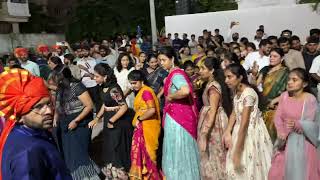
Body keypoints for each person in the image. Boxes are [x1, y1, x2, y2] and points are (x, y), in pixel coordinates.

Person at [0, 69, 72, 179]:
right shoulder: (27, 152)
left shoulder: (37, 132)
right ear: (19, 117)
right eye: (38, 107)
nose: (48, 111)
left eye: (49, 103)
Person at [269, 68, 320, 180]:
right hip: (284, 142)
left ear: (305, 83)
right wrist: (280, 131)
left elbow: (314, 126)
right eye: (289, 79)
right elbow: (278, 116)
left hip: (302, 144)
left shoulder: (310, 99)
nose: (289, 82)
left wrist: (298, 124)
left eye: (294, 80)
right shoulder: (284, 96)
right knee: (276, 173)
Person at [223, 64, 272, 179]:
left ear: (240, 77)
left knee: (249, 167)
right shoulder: (237, 91)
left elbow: (245, 124)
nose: (226, 80)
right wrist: (228, 131)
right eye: (226, 77)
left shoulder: (248, 94)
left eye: (229, 77)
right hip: (239, 130)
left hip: (250, 133)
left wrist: (238, 151)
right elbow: (234, 112)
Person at [159, 47, 201, 180]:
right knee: (177, 149)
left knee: (179, 149)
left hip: (179, 120)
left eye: (164, 60)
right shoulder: (173, 74)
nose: (161, 62)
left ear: (172, 59)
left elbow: (185, 90)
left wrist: (171, 96)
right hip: (175, 116)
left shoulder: (176, 74)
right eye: (160, 60)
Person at [54, 67, 100, 179]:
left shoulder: (77, 86)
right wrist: (55, 118)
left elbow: (89, 106)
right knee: (68, 153)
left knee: (79, 153)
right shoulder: (60, 88)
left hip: (79, 123)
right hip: (65, 123)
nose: (57, 82)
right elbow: (58, 104)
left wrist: (76, 120)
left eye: (59, 79)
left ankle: (87, 176)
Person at [89, 63, 133, 179]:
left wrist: (112, 120)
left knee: (116, 147)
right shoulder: (103, 87)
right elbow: (105, 104)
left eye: (97, 76)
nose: (94, 78)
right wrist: (97, 118)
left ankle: (121, 175)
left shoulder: (113, 89)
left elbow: (123, 106)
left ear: (105, 77)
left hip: (117, 122)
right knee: (109, 147)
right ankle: (113, 175)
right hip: (109, 120)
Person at [197, 58, 232, 179]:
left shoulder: (213, 87)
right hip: (210, 120)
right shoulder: (209, 84)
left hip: (214, 124)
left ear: (211, 70)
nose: (200, 71)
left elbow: (213, 111)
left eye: (203, 69)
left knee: (214, 154)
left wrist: (205, 133)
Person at [127, 70, 163, 179]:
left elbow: (152, 110)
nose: (133, 86)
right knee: (142, 155)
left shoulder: (146, 91)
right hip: (144, 127)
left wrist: (139, 118)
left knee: (149, 156)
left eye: (135, 83)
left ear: (142, 81)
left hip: (148, 128)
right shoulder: (142, 91)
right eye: (131, 83)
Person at [253, 48, 289, 142]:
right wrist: (254, 74)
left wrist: (274, 101)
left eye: (275, 56)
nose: (271, 58)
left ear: (282, 58)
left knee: (272, 133)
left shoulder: (286, 72)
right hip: (263, 104)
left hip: (276, 106)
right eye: (270, 56)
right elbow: (255, 85)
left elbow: (288, 91)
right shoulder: (266, 69)